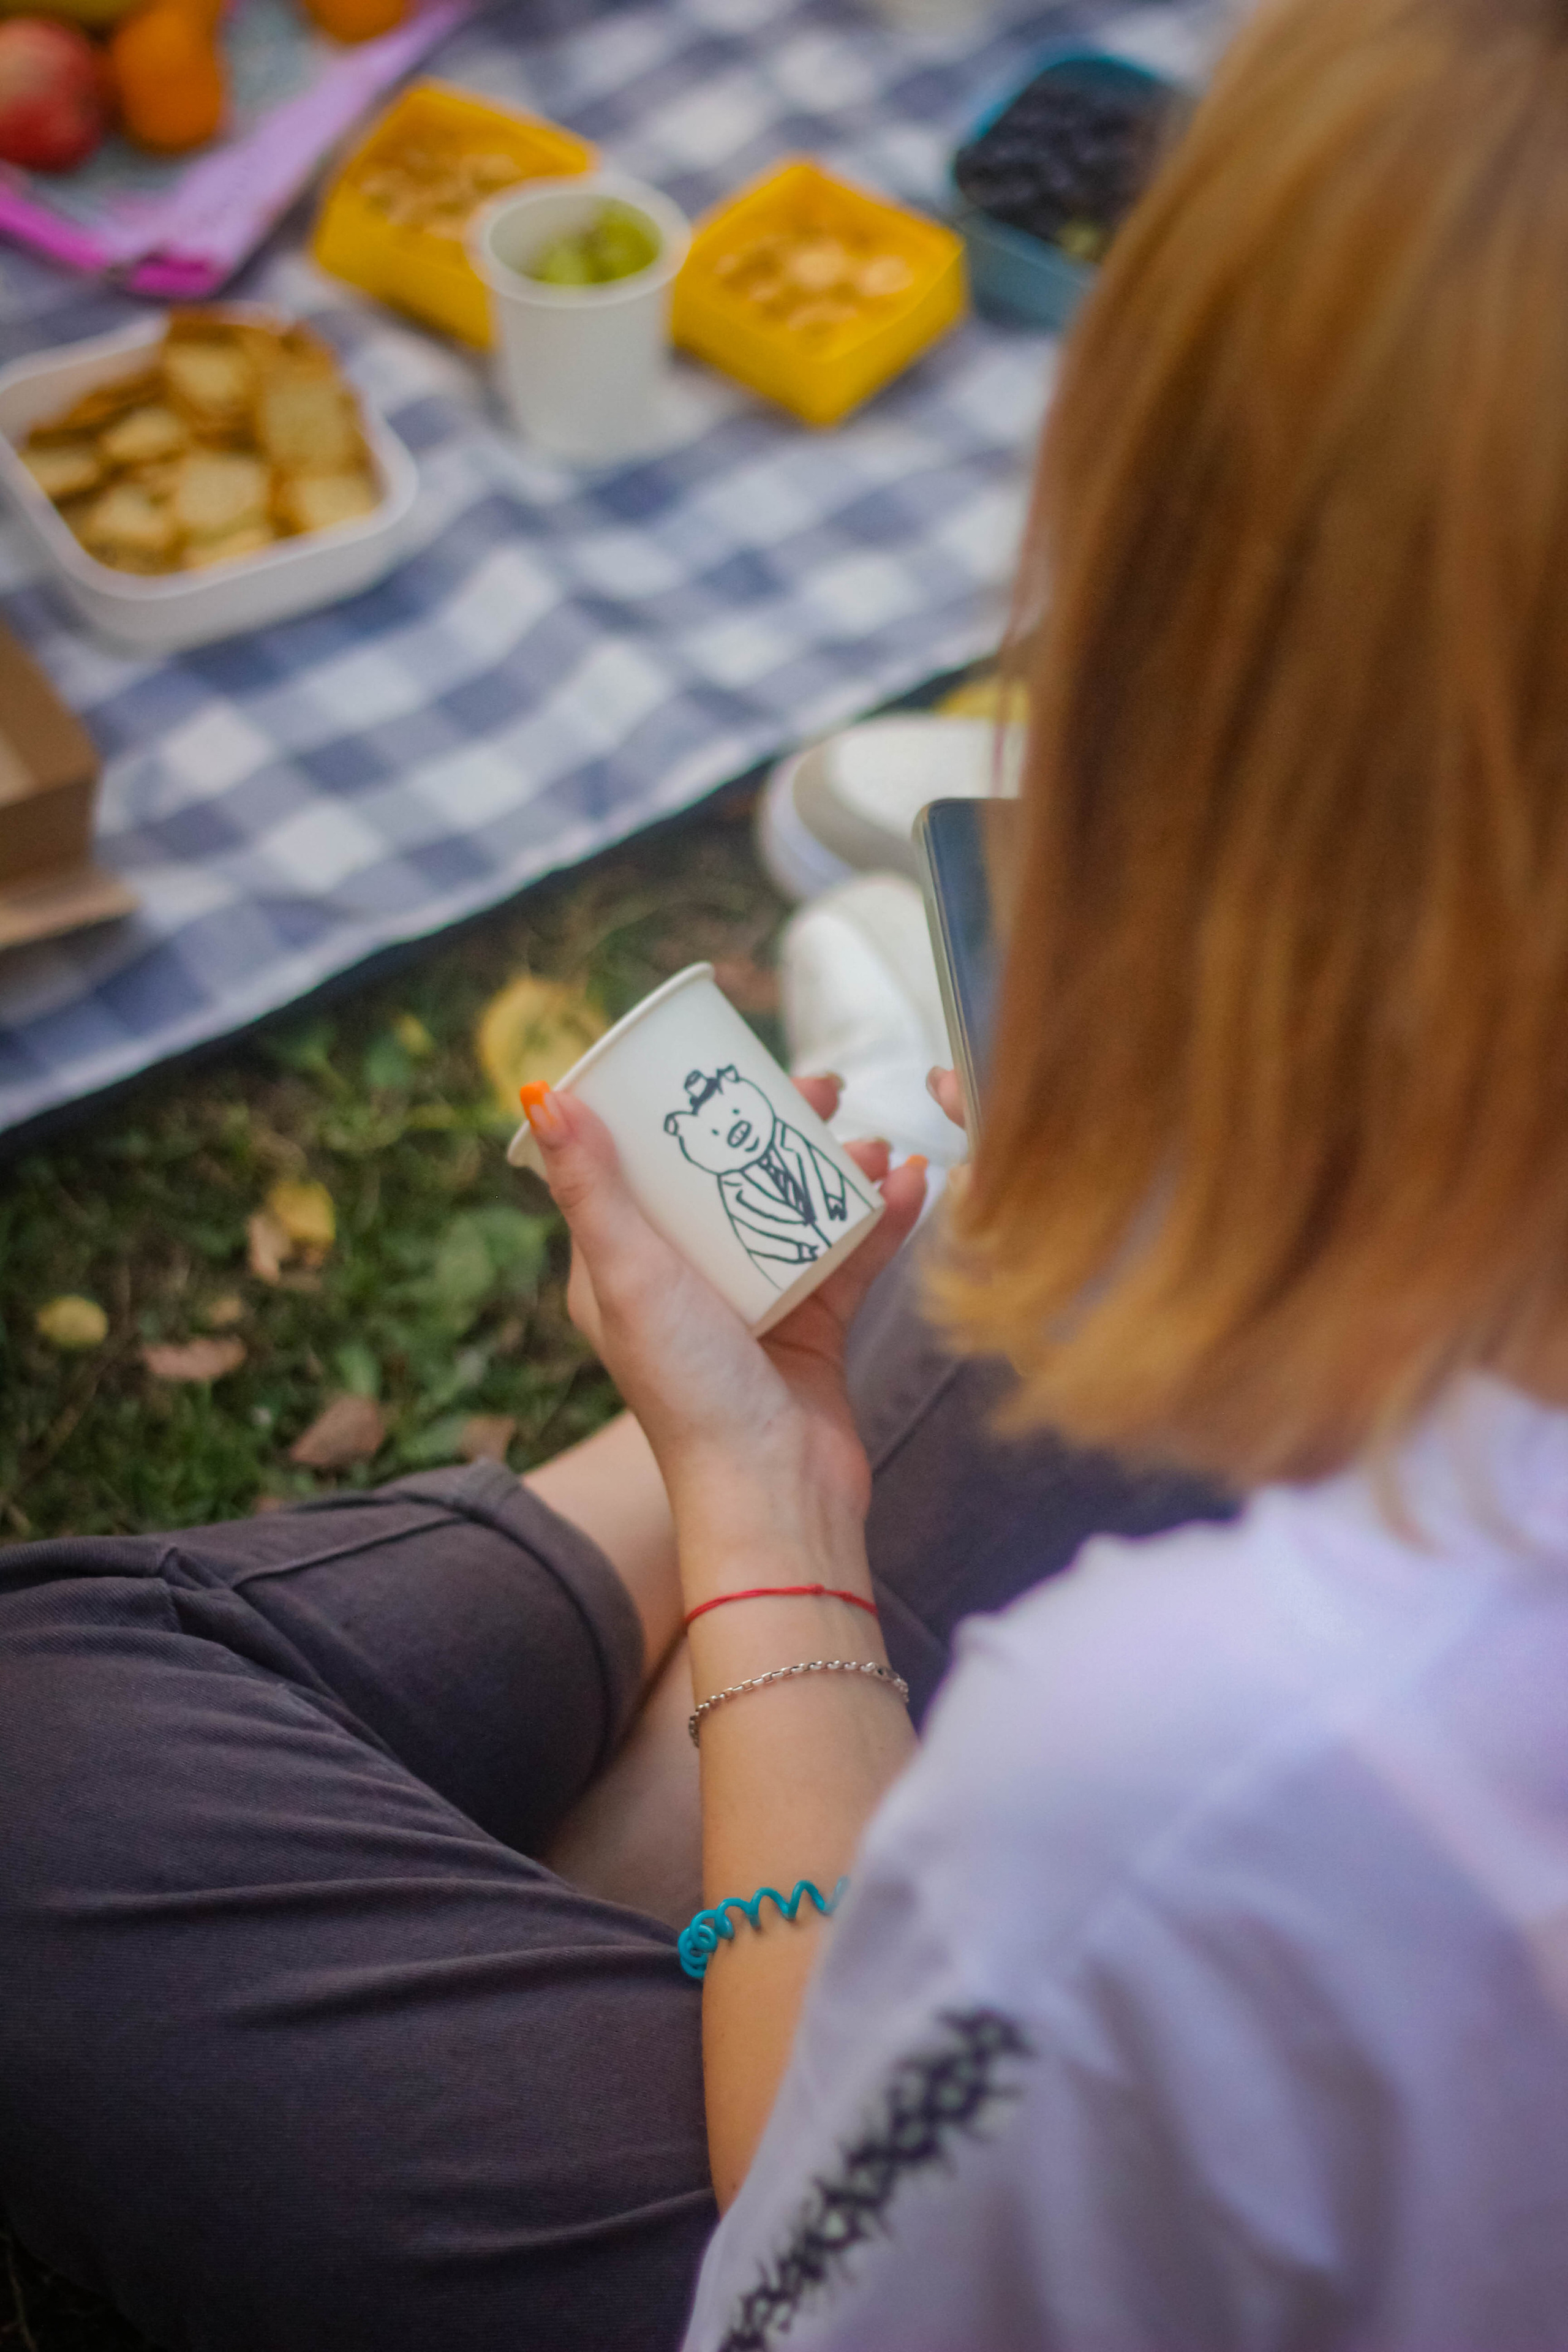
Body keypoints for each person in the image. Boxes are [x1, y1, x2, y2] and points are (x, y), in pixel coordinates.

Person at [6, 0, 1568, 2346]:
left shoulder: (1208, 1769)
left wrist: (758, 1510)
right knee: (1050, 1225)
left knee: (54, 1721)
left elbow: (797, 2277)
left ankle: (759, 1407)